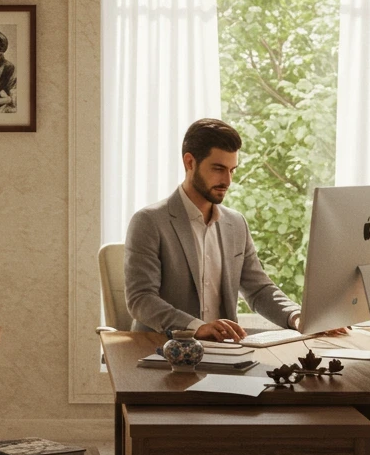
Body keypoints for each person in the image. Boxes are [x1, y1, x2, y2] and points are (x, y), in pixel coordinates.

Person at [124, 118, 304, 341]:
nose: (227, 180)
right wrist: (196, 327)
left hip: (226, 354)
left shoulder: (236, 224)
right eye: (218, 169)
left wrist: (297, 316)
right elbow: (141, 299)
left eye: (232, 170)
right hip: (164, 353)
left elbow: (259, 290)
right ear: (190, 162)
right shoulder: (149, 221)